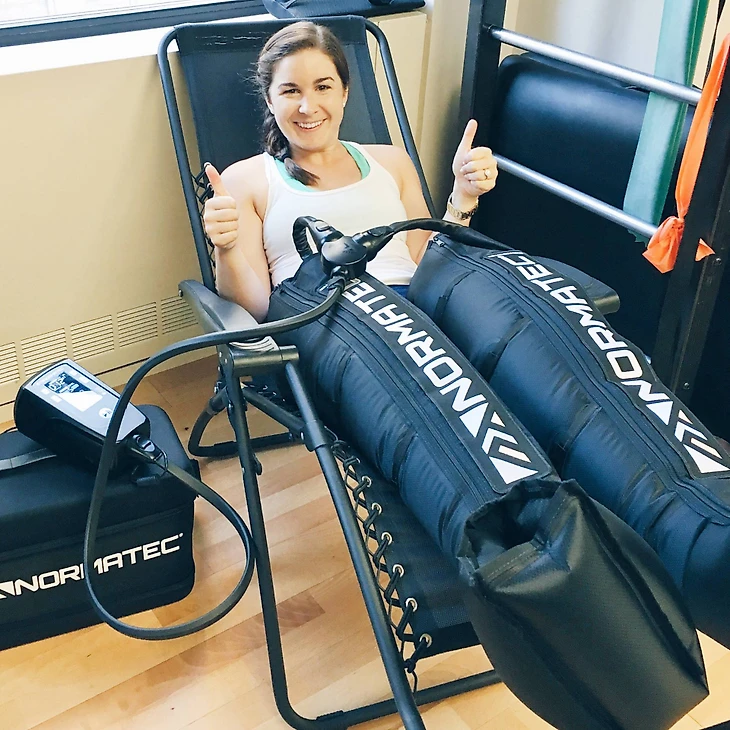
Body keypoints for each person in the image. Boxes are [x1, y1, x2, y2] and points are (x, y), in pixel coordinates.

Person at [203, 21, 498, 323]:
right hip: (331, 324)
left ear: (344, 92)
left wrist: (464, 195)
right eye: (291, 91)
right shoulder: (245, 181)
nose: (308, 107)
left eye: (323, 87)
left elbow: (430, 264)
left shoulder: (392, 162)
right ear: (270, 100)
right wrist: (226, 248)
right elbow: (252, 312)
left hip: (421, 314)